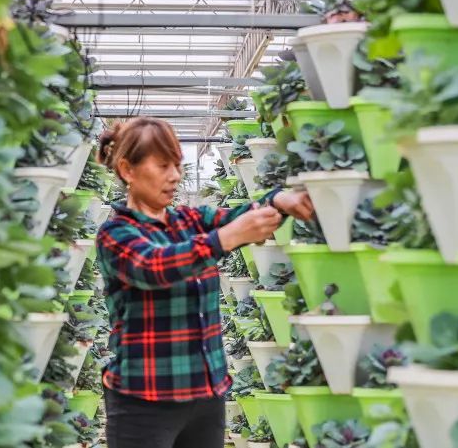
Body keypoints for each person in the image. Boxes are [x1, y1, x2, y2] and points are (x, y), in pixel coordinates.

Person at [94, 117, 315, 448]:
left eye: (178, 165)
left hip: (205, 398)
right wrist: (223, 240)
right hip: (144, 400)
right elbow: (155, 268)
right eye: (163, 165)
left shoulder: (187, 220)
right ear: (127, 170)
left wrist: (279, 201)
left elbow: (234, 217)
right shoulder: (117, 234)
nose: (175, 175)